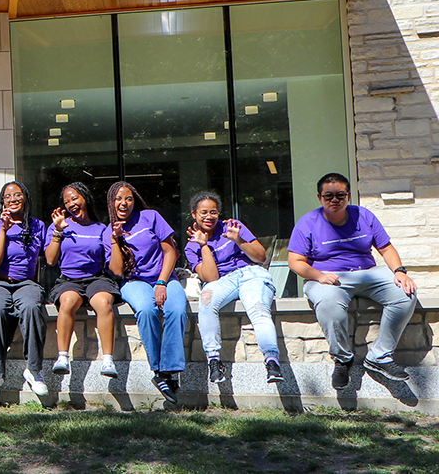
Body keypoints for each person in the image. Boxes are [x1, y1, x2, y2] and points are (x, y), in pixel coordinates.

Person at [289, 172, 419, 387]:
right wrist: (319, 276)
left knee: (405, 293)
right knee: (329, 304)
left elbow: (385, 248)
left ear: (348, 196)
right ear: (320, 198)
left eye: (340, 195)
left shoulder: (364, 215)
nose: (334, 200)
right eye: (328, 195)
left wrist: (400, 271)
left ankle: (379, 357)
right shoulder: (308, 223)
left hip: (367, 273)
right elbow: (295, 262)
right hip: (327, 276)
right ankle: (342, 359)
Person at [185, 191, 281, 385]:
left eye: (213, 212)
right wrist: (203, 245)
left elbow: (261, 257)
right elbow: (211, 278)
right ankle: (214, 361)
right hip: (224, 281)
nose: (209, 217)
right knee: (206, 300)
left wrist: (238, 240)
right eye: (203, 212)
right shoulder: (192, 247)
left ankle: (272, 362)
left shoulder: (232, 227)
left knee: (259, 310)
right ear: (194, 214)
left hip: (251, 274)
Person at [106, 181, 186, 404]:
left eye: (129, 198)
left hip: (164, 277)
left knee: (177, 309)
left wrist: (162, 282)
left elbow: (170, 251)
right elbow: (117, 270)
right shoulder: (108, 231)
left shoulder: (151, 217)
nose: (124, 203)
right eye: (119, 199)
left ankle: (167, 372)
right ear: (111, 202)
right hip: (134, 281)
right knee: (146, 309)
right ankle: (159, 369)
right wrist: (115, 239)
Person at [45, 182, 120, 379]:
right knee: (68, 301)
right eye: (67, 201)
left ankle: (108, 360)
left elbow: (112, 263)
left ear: (85, 198)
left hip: (96, 278)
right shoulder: (60, 226)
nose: (71, 203)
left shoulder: (101, 228)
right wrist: (58, 231)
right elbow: (51, 259)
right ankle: (62, 357)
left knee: (103, 303)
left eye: (75, 198)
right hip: (69, 279)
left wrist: (116, 240)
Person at [0, 181, 49, 399]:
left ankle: (33, 370)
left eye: (17, 195)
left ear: (25, 198)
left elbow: (45, 259)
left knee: (30, 307)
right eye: (8, 196)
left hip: (26, 283)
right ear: (2, 201)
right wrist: (4, 229)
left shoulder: (37, 226)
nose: (13, 200)